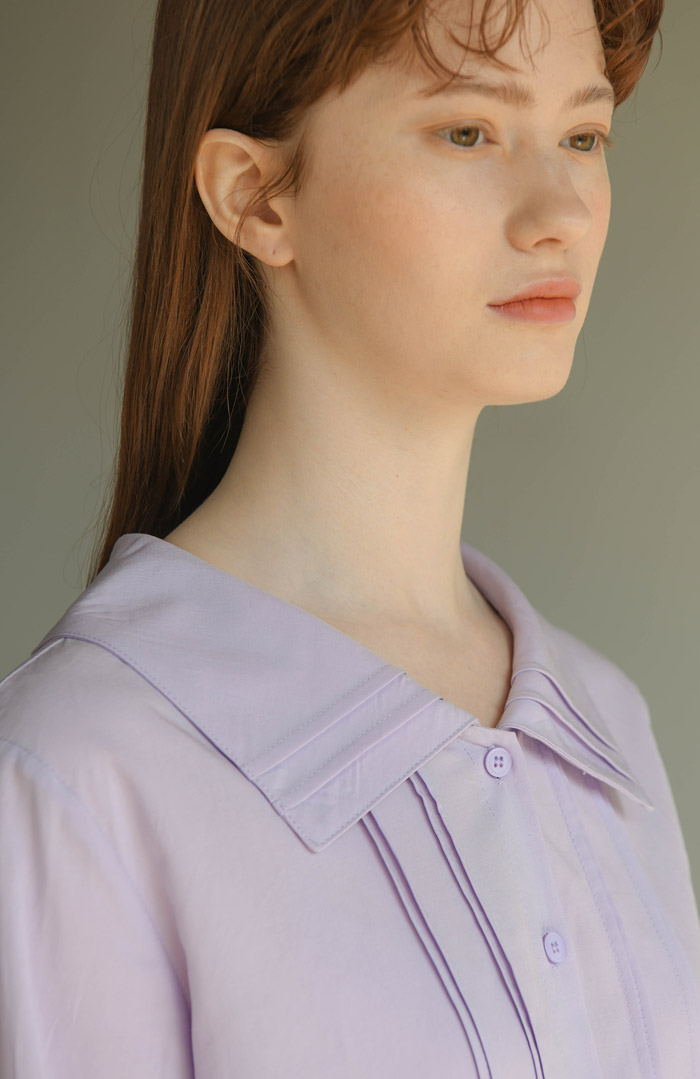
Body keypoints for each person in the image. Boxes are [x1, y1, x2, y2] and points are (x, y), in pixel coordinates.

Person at [2, 0, 698, 1074]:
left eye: (582, 135)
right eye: (468, 130)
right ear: (254, 194)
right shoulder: (79, 771)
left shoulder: (608, 731)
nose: (560, 211)